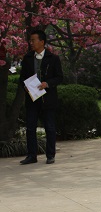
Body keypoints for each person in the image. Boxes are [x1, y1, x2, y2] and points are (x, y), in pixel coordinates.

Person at [19, 29, 63, 165]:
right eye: (30, 40)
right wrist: (25, 86)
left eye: (33, 40)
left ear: (42, 42)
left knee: (49, 127)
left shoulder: (53, 58)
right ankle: (31, 155)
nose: (31, 43)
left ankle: (50, 155)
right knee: (30, 128)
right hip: (32, 98)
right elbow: (22, 77)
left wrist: (47, 84)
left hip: (48, 99)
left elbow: (59, 77)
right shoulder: (27, 58)